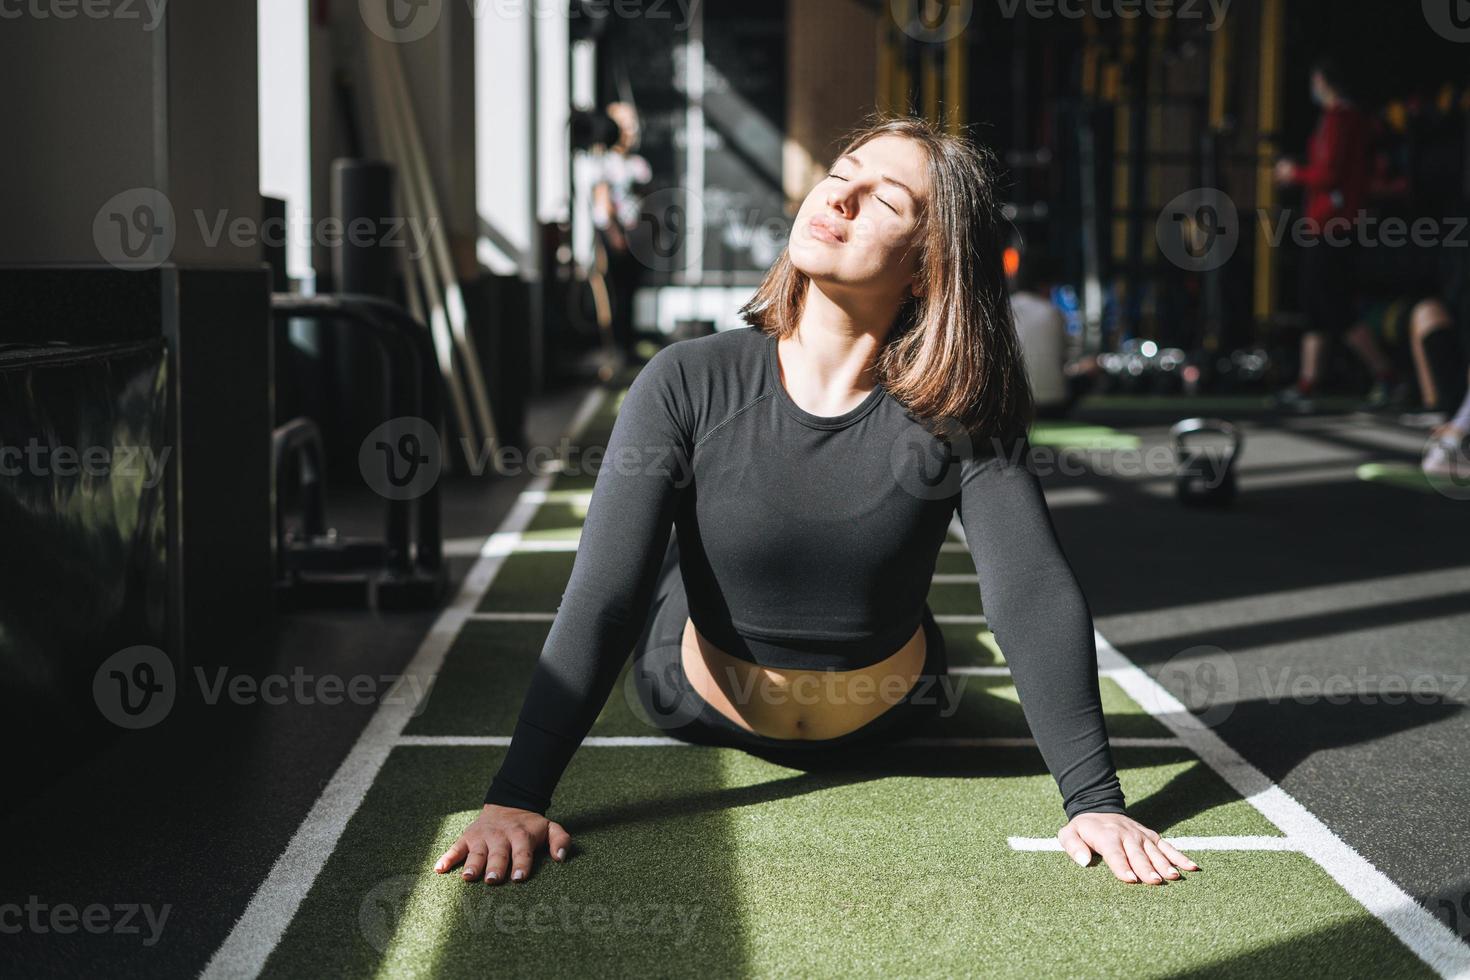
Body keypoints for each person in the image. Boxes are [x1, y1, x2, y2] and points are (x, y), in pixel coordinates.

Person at [434, 115, 1199, 888]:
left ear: (928, 267)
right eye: (841, 176)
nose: (839, 199)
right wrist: (516, 796)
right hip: (695, 695)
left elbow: (1029, 590)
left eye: (883, 200)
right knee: (665, 566)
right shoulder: (686, 379)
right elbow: (604, 593)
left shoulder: (961, 407)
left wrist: (1094, 799)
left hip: (896, 709)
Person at [1273, 54, 1394, 413]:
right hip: (1325, 223)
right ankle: (1308, 383)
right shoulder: (1341, 120)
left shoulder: (1343, 120)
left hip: (1334, 225)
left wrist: (1294, 174)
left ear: (1324, 81)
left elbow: (1329, 175)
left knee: (1334, 307)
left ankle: (1387, 375)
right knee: (1316, 306)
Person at [589, 101, 653, 369]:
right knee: (617, 294)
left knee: (630, 293)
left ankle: (627, 345)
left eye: (633, 123)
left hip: (634, 236)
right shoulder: (603, 163)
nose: (631, 130)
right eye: (625, 124)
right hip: (614, 238)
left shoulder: (635, 164)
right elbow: (603, 204)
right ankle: (616, 350)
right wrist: (615, 236)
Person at [1007, 248, 1072, 418]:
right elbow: (1065, 357)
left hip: (1015, 404)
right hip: (1054, 402)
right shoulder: (1053, 312)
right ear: (1046, 284)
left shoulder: (1006, 309)